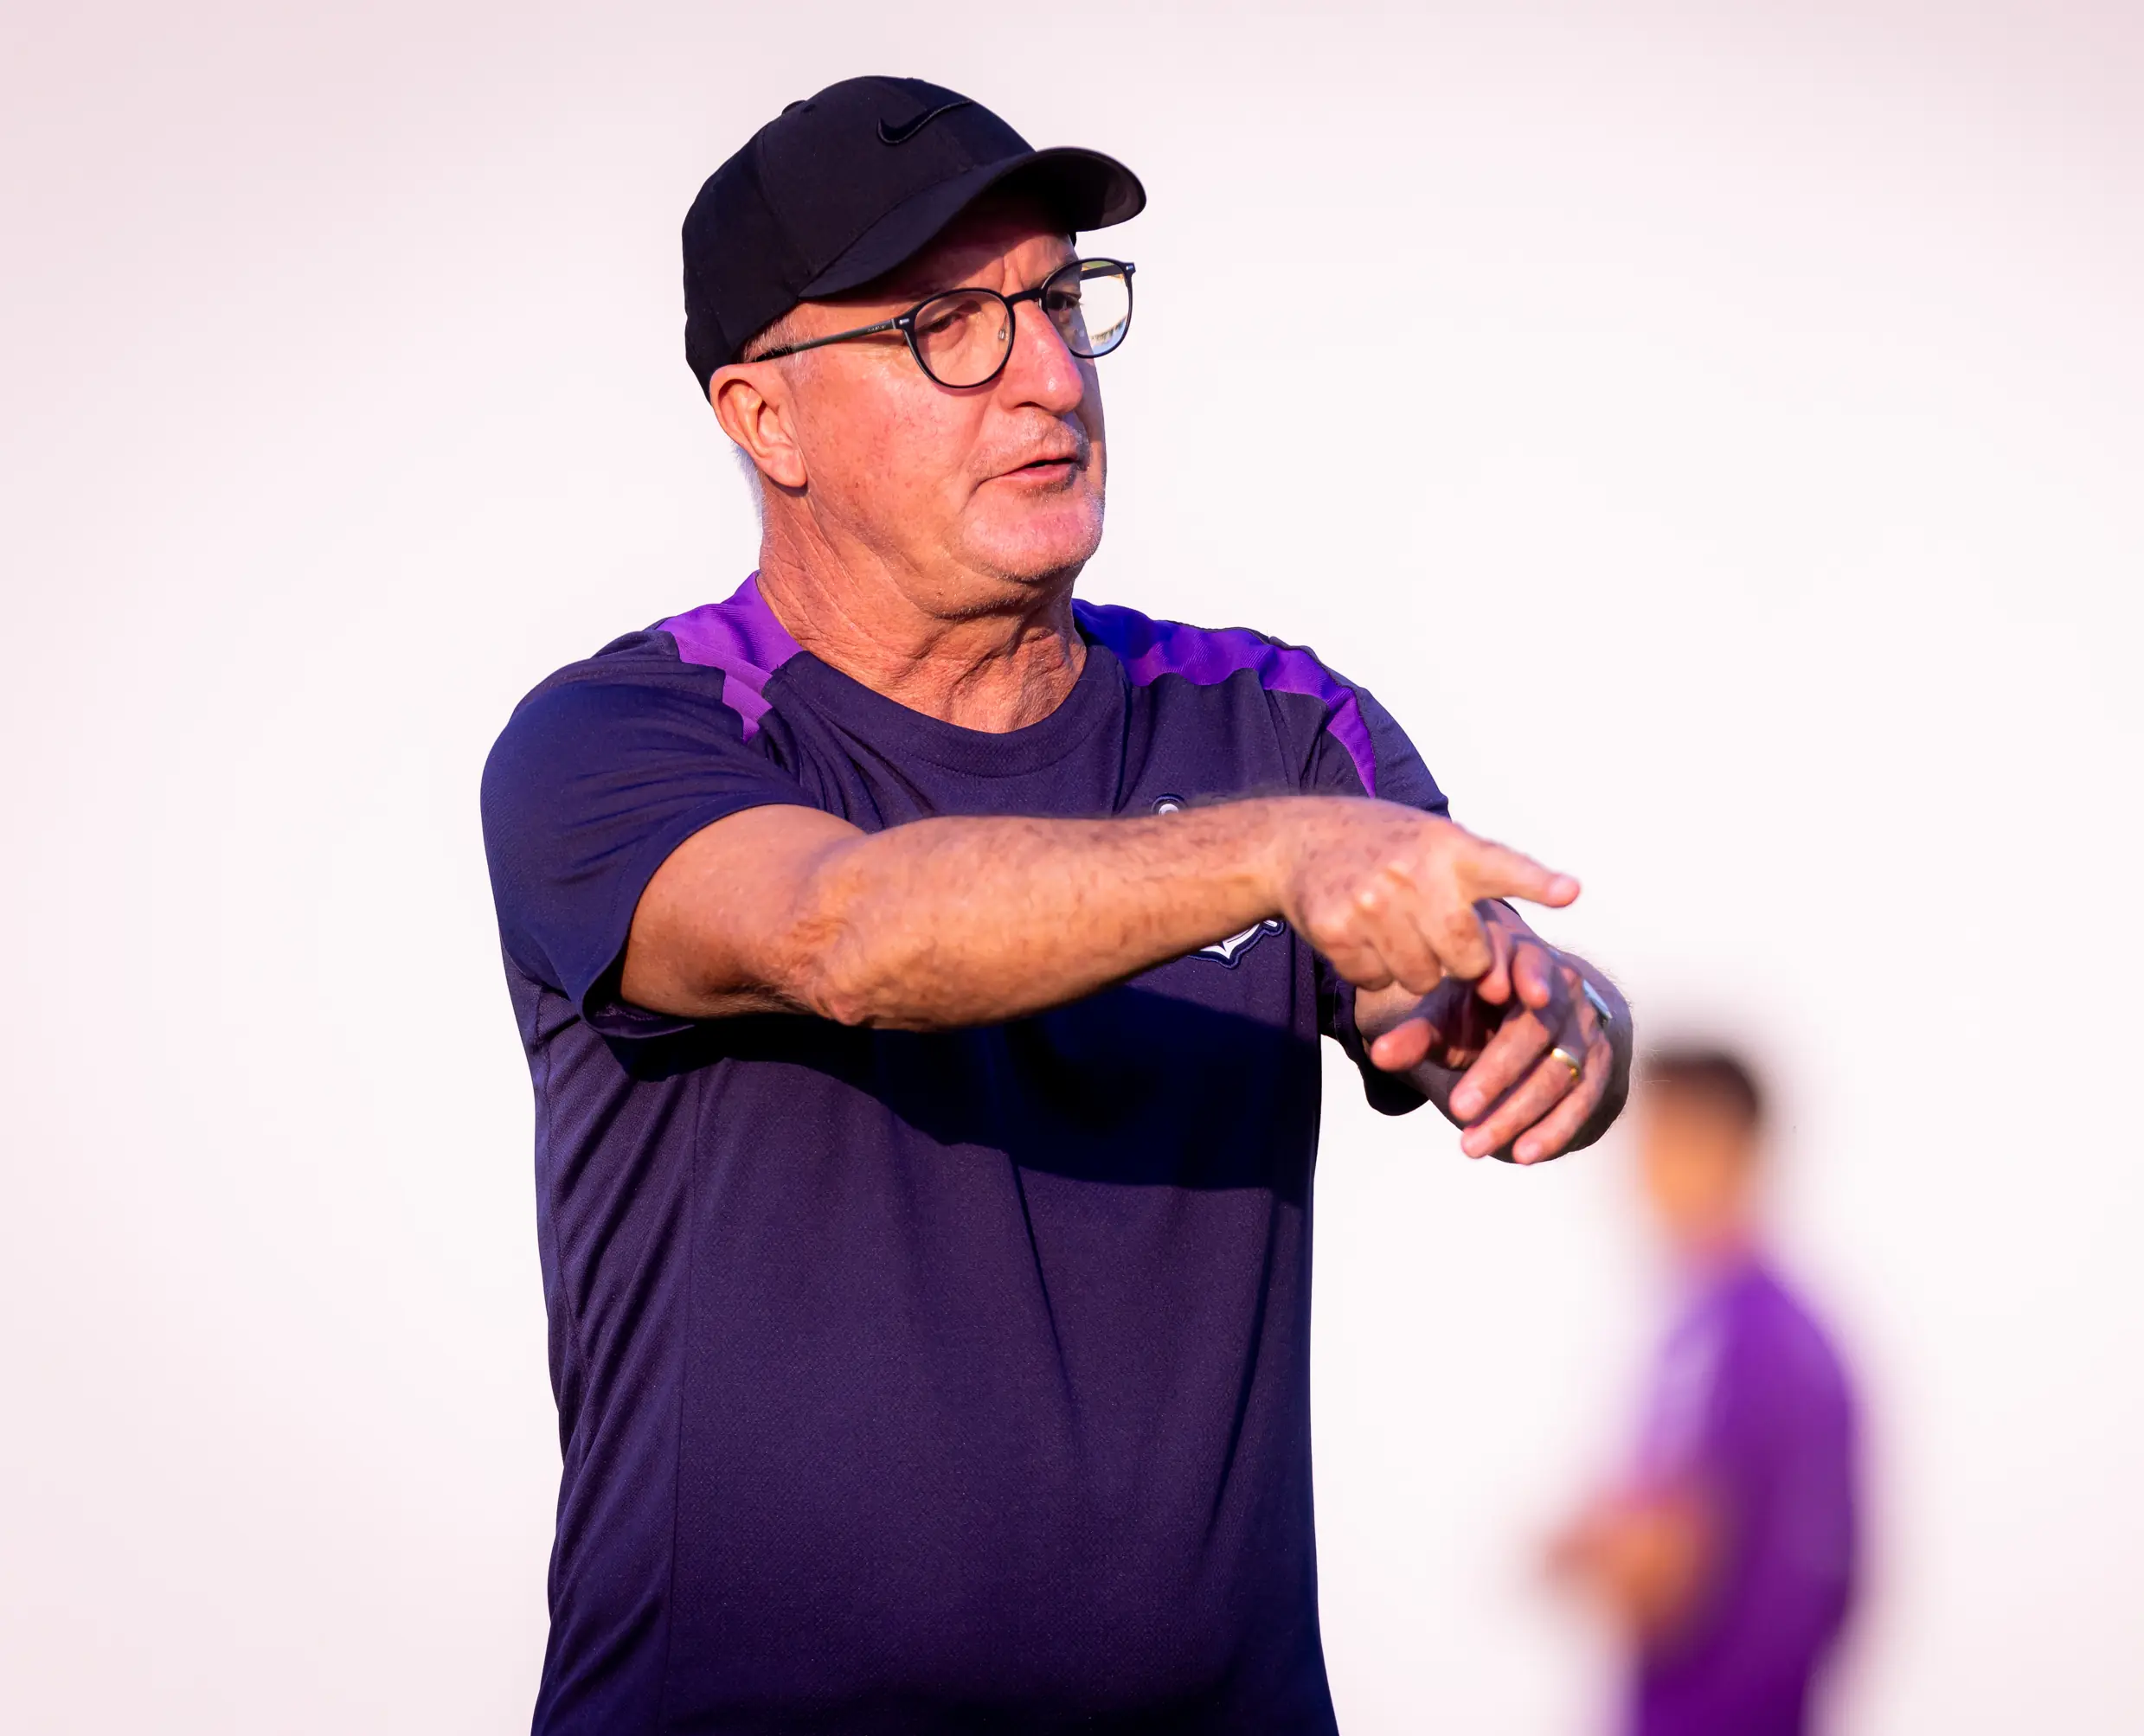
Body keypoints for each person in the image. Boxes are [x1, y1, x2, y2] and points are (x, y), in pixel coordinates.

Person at [478, 75, 1632, 1734]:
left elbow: (1457, 979)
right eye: (945, 325)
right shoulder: (622, 737)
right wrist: (1274, 858)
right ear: (764, 418)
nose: (1047, 375)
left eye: (1057, 300)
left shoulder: (1277, 725)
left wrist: (1544, 1019)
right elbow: (839, 933)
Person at [1551, 1046, 1858, 1736]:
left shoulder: (1738, 1337)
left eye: (1657, 1139)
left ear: (1718, 1145)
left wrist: (1579, 1544)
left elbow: (1666, 1570)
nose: (1638, 1171)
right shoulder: (1786, 1331)